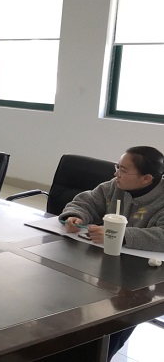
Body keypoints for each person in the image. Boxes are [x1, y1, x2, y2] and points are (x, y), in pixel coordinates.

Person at [59, 146, 164, 361]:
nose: (116, 173)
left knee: (113, 322)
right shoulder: (114, 186)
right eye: (117, 167)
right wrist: (75, 215)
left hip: (145, 277)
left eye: (123, 170)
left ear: (146, 178)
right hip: (106, 267)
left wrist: (120, 235)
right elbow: (86, 201)